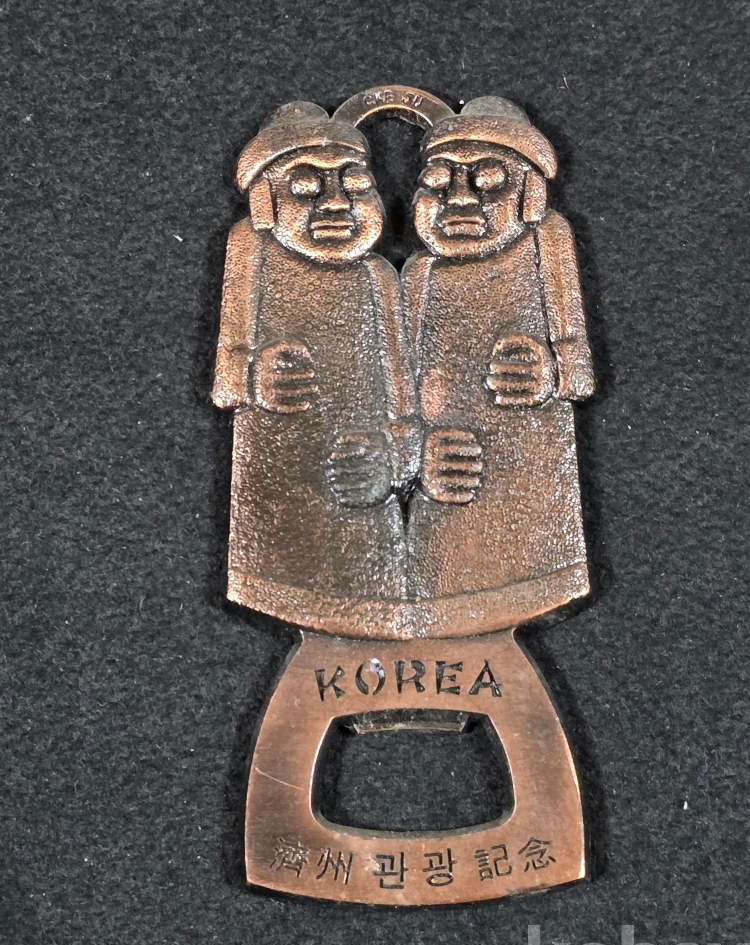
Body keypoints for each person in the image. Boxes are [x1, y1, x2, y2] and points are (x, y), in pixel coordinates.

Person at [212, 102, 419, 638]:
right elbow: (227, 375)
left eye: (355, 185)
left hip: (364, 470)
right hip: (279, 463)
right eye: (305, 188)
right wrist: (253, 374)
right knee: (286, 574)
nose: (334, 203)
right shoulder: (252, 250)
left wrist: (400, 453)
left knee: (370, 572)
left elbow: (401, 384)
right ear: (266, 201)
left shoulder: (377, 276)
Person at [402, 96, 595, 636]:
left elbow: (579, 366)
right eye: (438, 182)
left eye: (489, 181)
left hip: (531, 462)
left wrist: (551, 369)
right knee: (442, 569)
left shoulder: (546, 242)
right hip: (448, 466)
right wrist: (414, 450)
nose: (460, 199)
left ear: (529, 193)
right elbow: (396, 381)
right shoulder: (419, 274)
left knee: (529, 573)